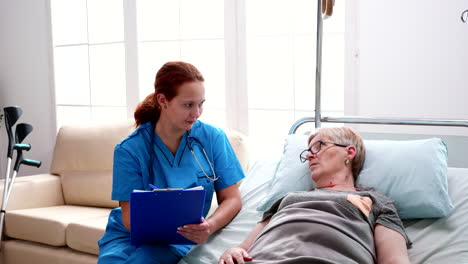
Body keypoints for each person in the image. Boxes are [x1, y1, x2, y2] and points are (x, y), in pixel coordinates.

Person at [98, 61, 245, 264]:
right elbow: (130, 218)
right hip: (127, 235)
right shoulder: (130, 149)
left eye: (201, 103)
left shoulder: (212, 138)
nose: (197, 113)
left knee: (145, 259)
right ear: (163, 100)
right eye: (188, 105)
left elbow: (232, 199)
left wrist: (209, 226)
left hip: (182, 236)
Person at [219, 127, 412, 264]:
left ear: (349, 152)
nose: (310, 155)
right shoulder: (287, 198)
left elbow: (394, 260)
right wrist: (232, 251)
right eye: (308, 151)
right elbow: (243, 247)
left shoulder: (376, 201)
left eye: (319, 146)